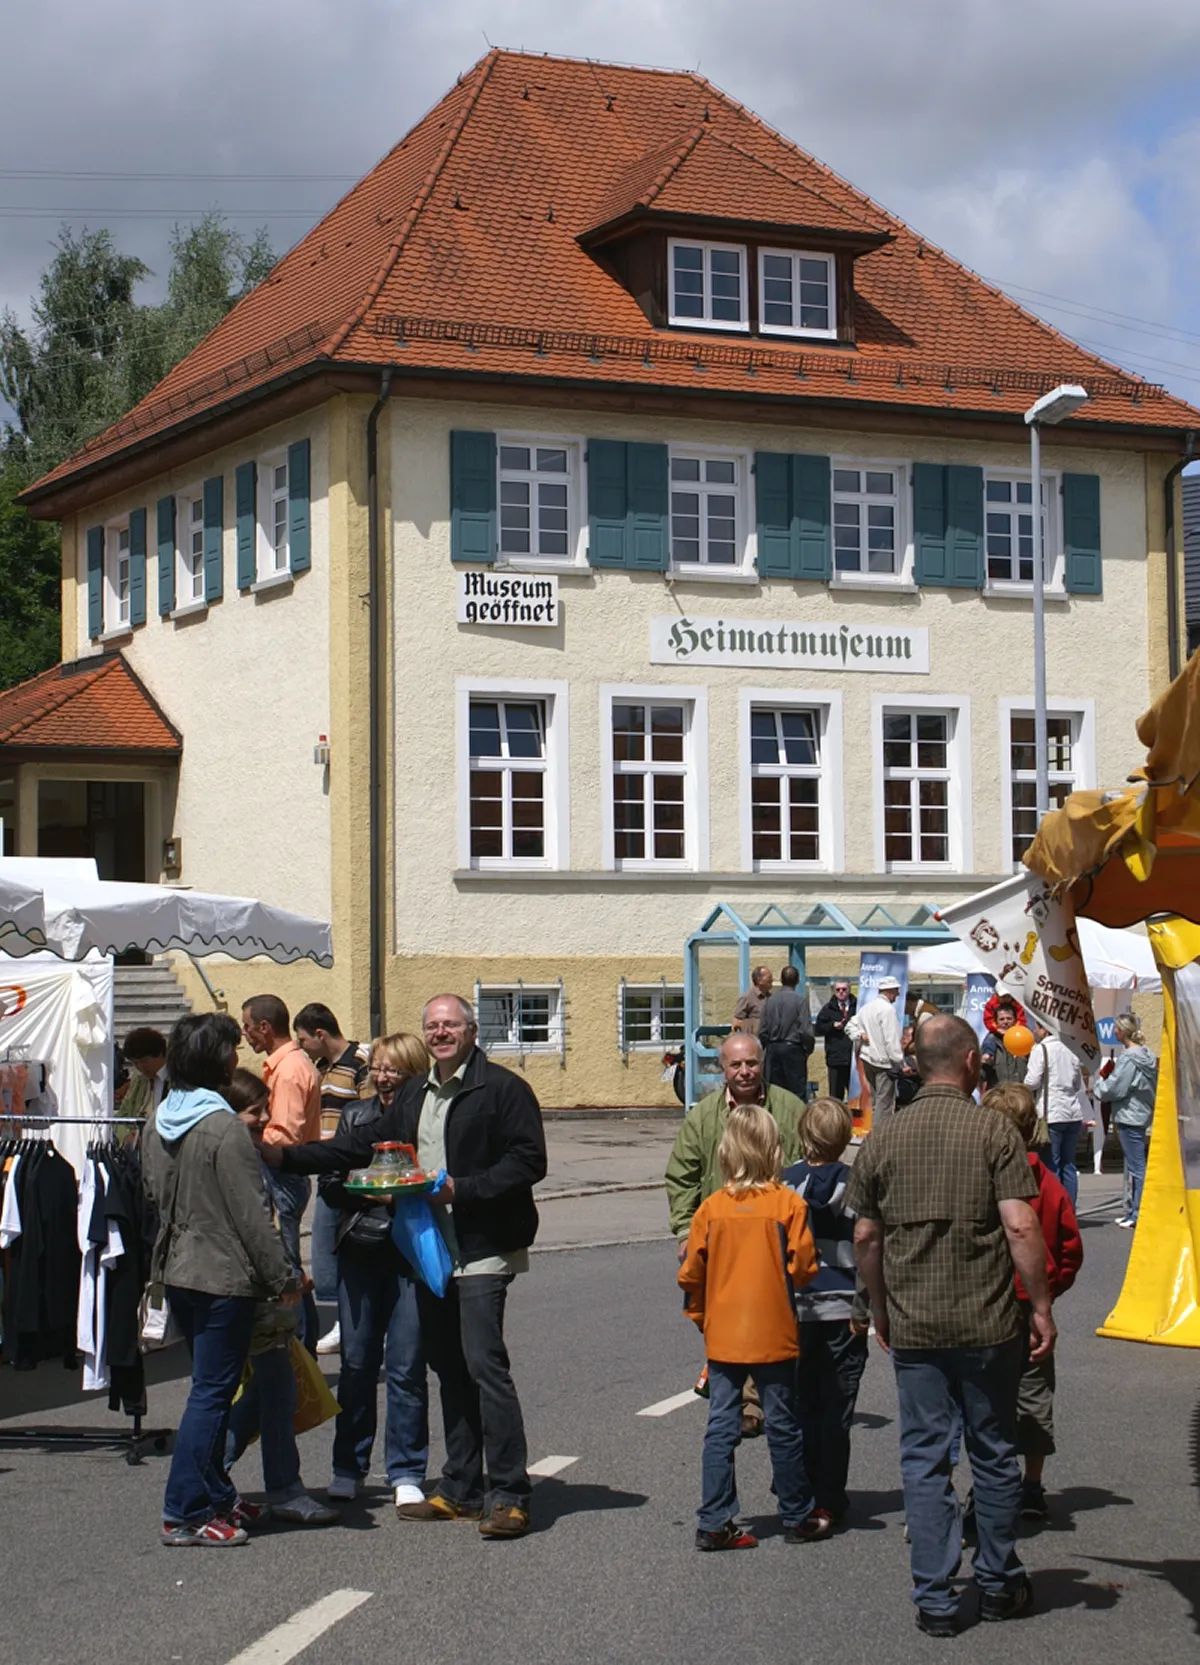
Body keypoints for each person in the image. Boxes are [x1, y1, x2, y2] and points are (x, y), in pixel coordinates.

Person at [266, 993, 546, 1539]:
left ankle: (509, 1493)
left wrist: (465, 1190)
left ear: (471, 1030)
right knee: (449, 1369)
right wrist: (289, 1156)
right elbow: (362, 1145)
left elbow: (529, 1160)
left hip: (484, 1248)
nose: (441, 1033)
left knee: (485, 1366)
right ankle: (461, 1488)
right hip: (428, 1250)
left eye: (451, 1025)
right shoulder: (417, 1091)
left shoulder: (504, 1089)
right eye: (432, 1026)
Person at [847, 1014, 1055, 1636]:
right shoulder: (994, 1131)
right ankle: (996, 1582)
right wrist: (1040, 1306)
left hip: (915, 1325)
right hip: (988, 1322)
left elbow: (864, 1234)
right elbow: (1020, 1226)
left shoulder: (884, 1136)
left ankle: (935, 1597)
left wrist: (878, 1307)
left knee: (924, 1458)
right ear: (970, 1063)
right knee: (993, 1454)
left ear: (916, 1063)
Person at [142, 1013, 298, 1548]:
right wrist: (284, 1275)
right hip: (223, 1275)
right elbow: (252, 1212)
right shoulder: (223, 1125)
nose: (238, 1058)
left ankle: (214, 1494)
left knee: (207, 1387)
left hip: (178, 1268)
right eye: (232, 1050)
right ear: (216, 1059)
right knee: (211, 1393)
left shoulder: (160, 1118)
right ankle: (183, 1510)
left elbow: (153, 1196)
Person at [679, 1104, 821, 1550]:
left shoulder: (711, 1208)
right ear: (775, 1150)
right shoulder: (788, 1204)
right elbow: (803, 1268)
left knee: (721, 1424)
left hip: (723, 1333)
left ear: (726, 1152)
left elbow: (690, 1274)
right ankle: (797, 1513)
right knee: (783, 1424)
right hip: (774, 1329)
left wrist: (702, 1317)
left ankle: (715, 1518)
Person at [665, 1032, 806, 1436]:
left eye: (751, 1064)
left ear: (763, 1064)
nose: (744, 1072)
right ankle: (735, 1387)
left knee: (770, 1319)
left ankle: (754, 1400)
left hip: (771, 1239)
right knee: (720, 1319)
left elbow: (803, 1171)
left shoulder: (789, 1108)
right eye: (735, 1065)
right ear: (722, 1069)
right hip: (721, 1240)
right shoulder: (704, 1117)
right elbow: (682, 1177)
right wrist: (684, 1232)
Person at [220, 1069, 339, 1527]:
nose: (265, 1123)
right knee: (264, 1388)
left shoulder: (240, 1154)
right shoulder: (235, 1160)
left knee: (270, 1387)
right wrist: (284, 1278)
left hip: (254, 1289)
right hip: (249, 1292)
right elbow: (255, 1230)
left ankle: (211, 1478)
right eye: (255, 1118)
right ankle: (232, 1480)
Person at [320, 1033, 430, 1508]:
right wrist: (376, 1190)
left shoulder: (428, 1119)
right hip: (362, 1249)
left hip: (411, 1255)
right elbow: (330, 1183)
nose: (385, 1078)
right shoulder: (355, 1116)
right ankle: (349, 1466)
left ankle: (406, 1470)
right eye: (379, 1069)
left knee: (406, 1367)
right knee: (358, 1363)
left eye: (395, 1070)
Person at [981, 1083, 1082, 1523]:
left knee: (984, 1395)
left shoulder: (980, 1178)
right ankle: (1032, 1484)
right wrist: (1050, 1288)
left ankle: (990, 1482)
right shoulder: (1052, 1185)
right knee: (1034, 1394)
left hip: (987, 1301)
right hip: (1032, 1302)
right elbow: (1069, 1247)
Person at [781, 1097, 870, 1529]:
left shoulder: (784, 1185)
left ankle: (794, 1483)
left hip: (796, 1308)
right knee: (837, 1407)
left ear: (802, 1136)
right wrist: (867, 1304)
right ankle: (829, 1495)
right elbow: (869, 1248)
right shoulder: (857, 1187)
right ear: (846, 1138)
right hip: (844, 1306)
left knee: (798, 1400)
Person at [241, 994, 322, 1350]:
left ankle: (298, 1348)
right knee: (290, 1267)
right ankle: (302, 1345)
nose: (245, 1035)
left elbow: (283, 1135)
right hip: (289, 1173)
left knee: (286, 1267)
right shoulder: (287, 1064)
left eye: (247, 1027)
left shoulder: (288, 1071)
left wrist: (247, 1136)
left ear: (264, 1027)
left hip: (283, 1174)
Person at [293, 1002, 371, 1356]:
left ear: (320, 1035)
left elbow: (371, 1114)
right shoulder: (321, 1066)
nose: (302, 1046)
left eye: (304, 1039)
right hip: (327, 1167)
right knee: (325, 1249)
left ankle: (351, 1322)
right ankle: (346, 1318)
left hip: (351, 1168)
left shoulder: (360, 1063)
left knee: (339, 1247)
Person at [1093, 1014, 1158, 1228]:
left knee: (1137, 1167)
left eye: (1115, 1029)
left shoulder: (1130, 1057)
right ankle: (1132, 1210)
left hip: (1130, 1115)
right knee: (1133, 1165)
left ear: (1121, 1031)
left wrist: (1098, 1087)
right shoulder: (1146, 1054)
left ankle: (1138, 1212)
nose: (1113, 1033)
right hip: (1140, 1113)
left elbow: (1115, 1088)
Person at [1024, 1024, 1091, 1206]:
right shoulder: (1071, 1049)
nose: (1034, 1032)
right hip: (1072, 1112)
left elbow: (1032, 1081)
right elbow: (1077, 1084)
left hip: (1051, 1112)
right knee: (1069, 1164)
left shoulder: (1040, 1049)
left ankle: (1054, 1209)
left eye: (1037, 1028)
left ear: (1045, 1029)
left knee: (1051, 1163)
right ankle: (1069, 1207)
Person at [757, 965, 814, 1100]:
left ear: (781, 980)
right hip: (793, 1049)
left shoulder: (770, 1001)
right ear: (798, 980)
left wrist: (767, 1049)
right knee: (796, 1094)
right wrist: (807, 1049)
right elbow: (806, 1030)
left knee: (773, 1093)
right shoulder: (800, 1001)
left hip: (773, 1050)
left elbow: (762, 1030)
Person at [854, 975, 906, 1121]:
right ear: (889, 991)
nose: (898, 995)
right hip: (883, 1063)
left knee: (877, 1101)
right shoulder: (887, 1010)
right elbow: (891, 1040)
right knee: (884, 1105)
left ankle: (874, 1133)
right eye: (896, 991)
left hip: (868, 1060)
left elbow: (853, 1027)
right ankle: (880, 1138)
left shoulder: (866, 1008)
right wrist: (901, 1063)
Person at [814, 979, 857, 1101]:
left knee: (856, 1096)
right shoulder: (828, 1008)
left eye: (844, 989)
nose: (841, 992)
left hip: (853, 1059)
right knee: (835, 1097)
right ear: (834, 991)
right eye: (838, 990)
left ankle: (856, 1120)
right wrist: (832, 1026)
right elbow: (818, 1028)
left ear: (849, 990)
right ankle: (837, 1120)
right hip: (835, 1059)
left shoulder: (857, 1006)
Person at [121, 1028, 169, 1122]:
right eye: (135, 1063)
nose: (140, 1067)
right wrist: (127, 1134)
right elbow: (123, 1113)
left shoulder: (178, 1077)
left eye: (144, 1061)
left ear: (160, 1054)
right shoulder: (138, 1078)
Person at [980, 998, 1028, 1091]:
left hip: (1021, 1096)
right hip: (998, 1097)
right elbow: (981, 1075)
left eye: (1009, 1018)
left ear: (1015, 1020)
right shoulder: (989, 1043)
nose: (1005, 1022)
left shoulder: (1026, 1040)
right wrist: (986, 1064)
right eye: (1001, 1019)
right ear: (996, 1022)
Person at [731, 966, 773, 1036]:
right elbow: (737, 1022)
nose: (772, 980)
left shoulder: (771, 997)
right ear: (759, 981)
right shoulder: (747, 998)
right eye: (769, 977)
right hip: (753, 1041)